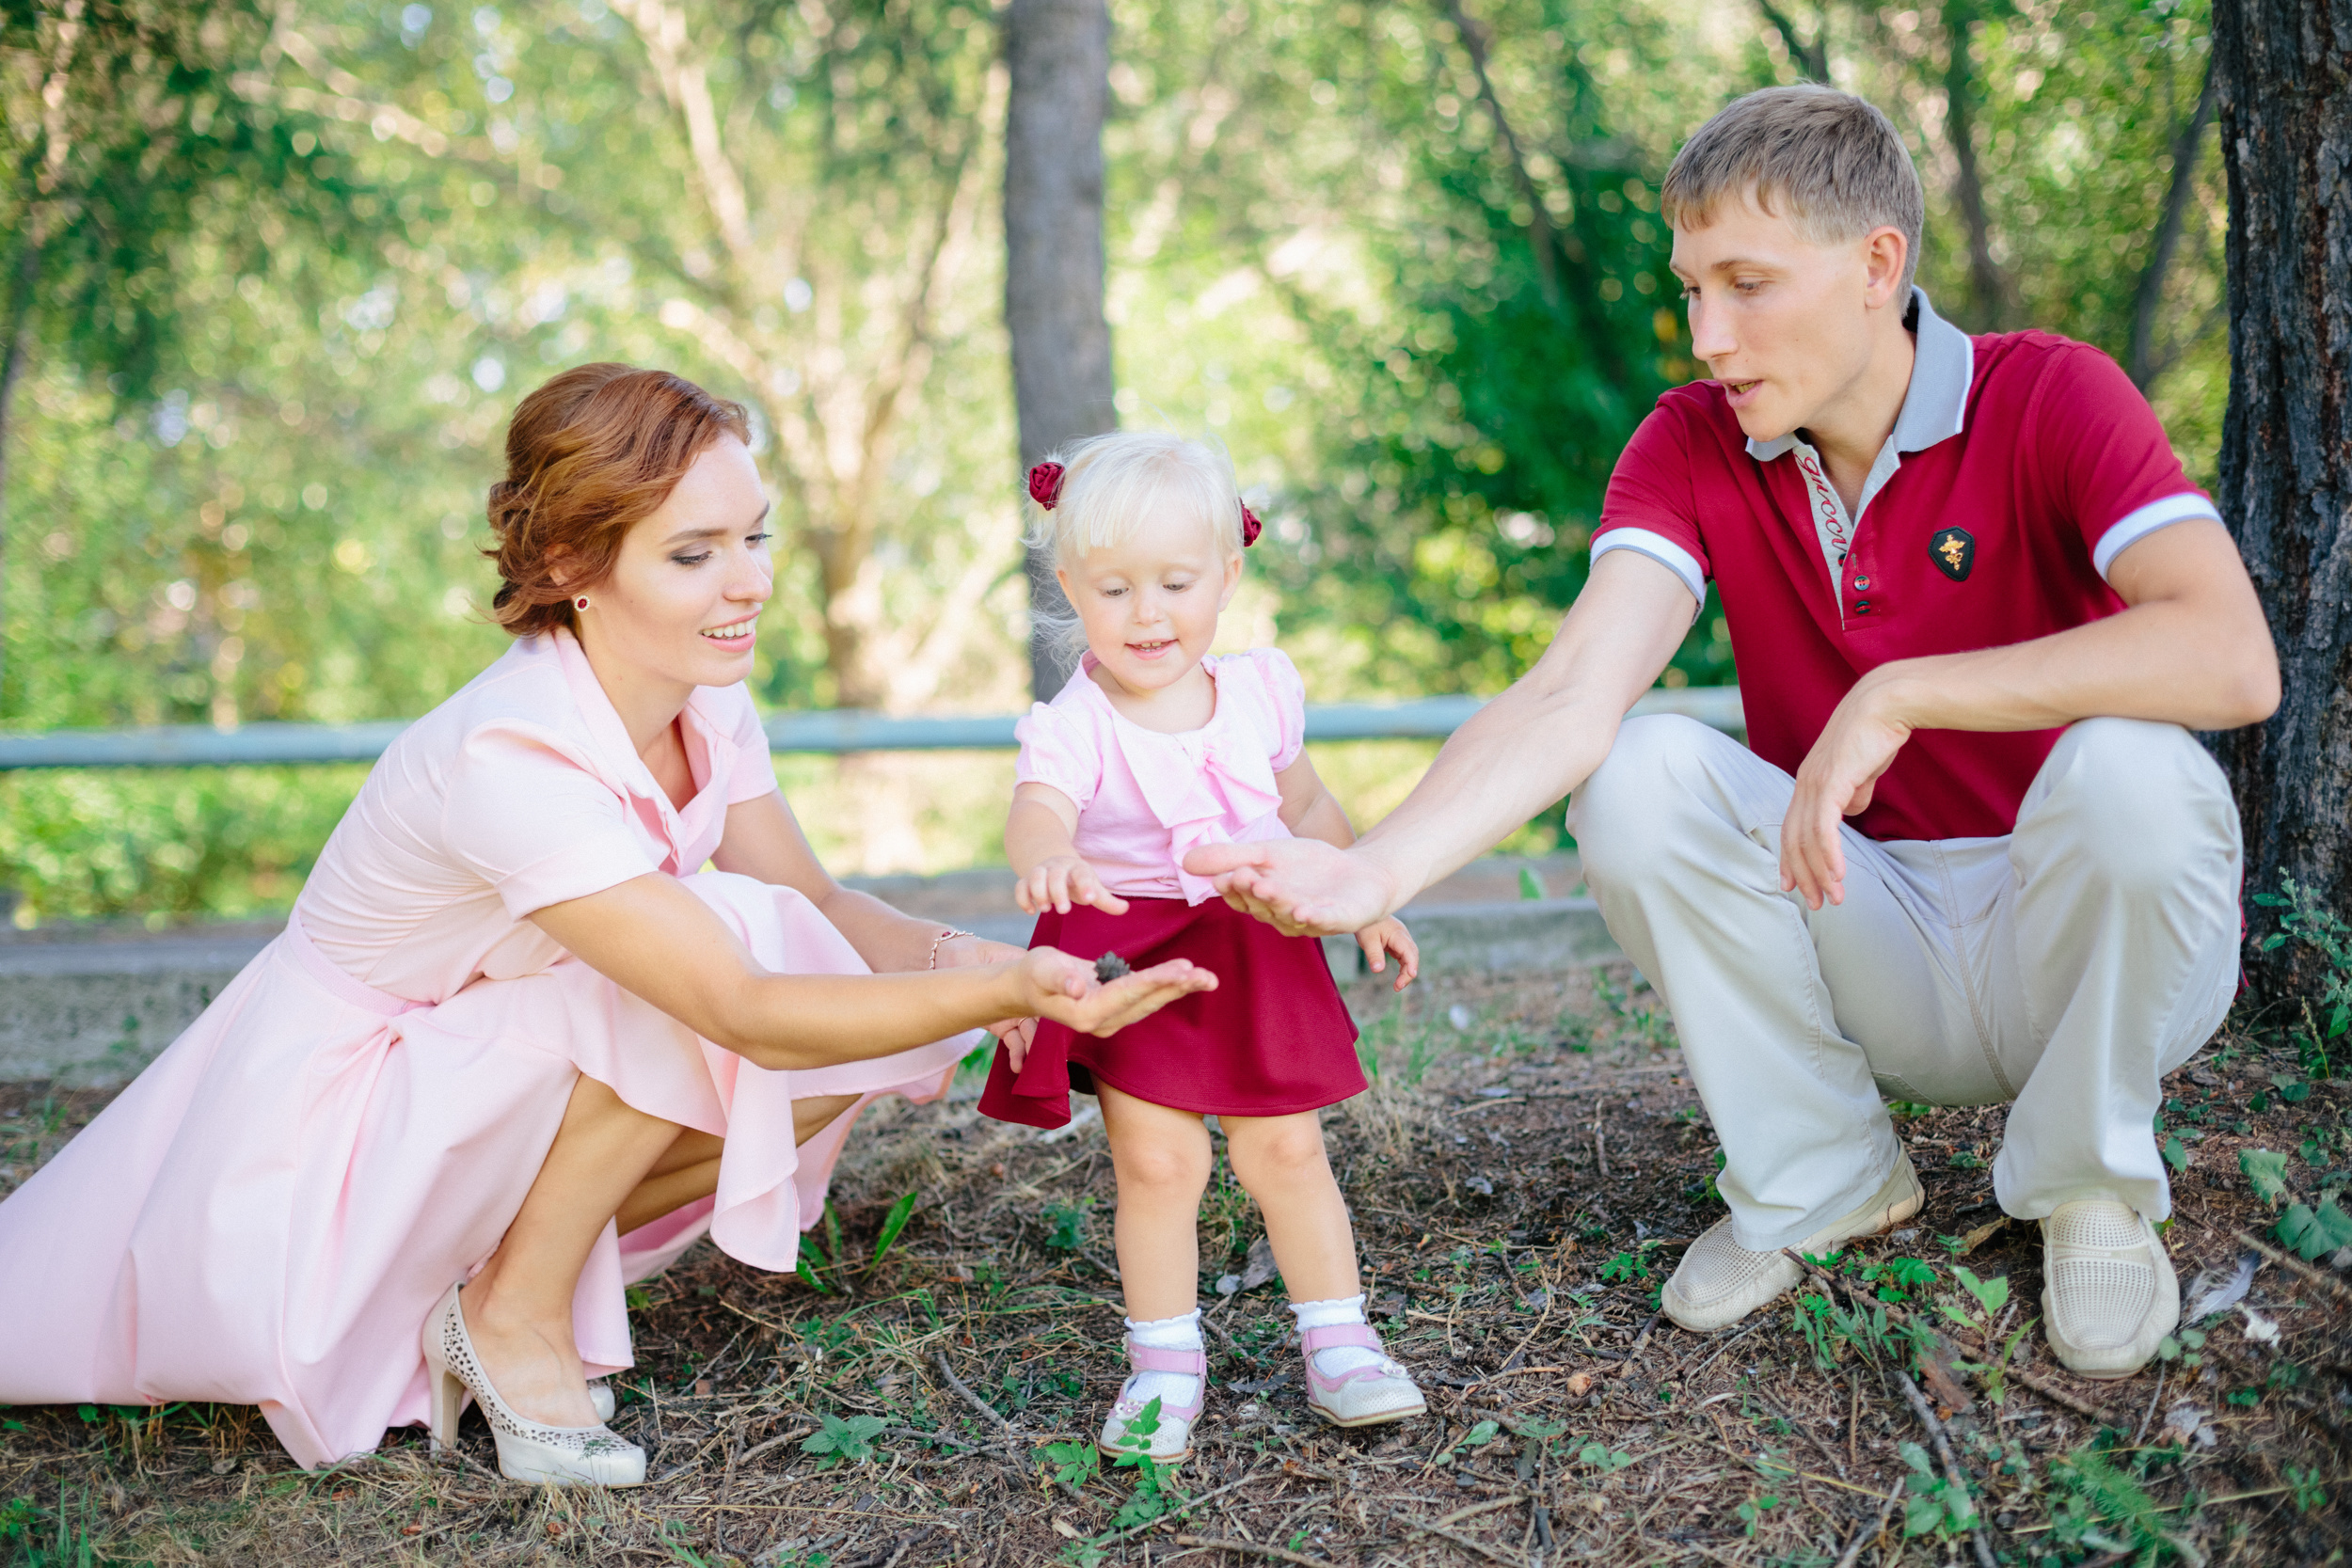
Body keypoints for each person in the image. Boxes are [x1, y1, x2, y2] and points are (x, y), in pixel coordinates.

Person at [1186, 87, 2279, 1383]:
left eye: (1749, 285)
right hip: (1876, 932)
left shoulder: (2050, 394)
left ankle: (2091, 1180)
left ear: (1879, 266)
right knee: (1640, 769)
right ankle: (1820, 1173)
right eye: (1693, 288)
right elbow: (1570, 693)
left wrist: (1902, 689)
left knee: (2137, 769)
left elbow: (2231, 655)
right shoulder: (1695, 444)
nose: (1708, 334)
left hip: (2091, 931)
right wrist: (1377, 868)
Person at [0, 365, 1214, 1486]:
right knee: (716, 950)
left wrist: (1002, 964)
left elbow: (829, 903)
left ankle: (497, 1278)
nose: (749, 580)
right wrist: (1010, 995)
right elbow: (737, 1002)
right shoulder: (510, 751)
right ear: (577, 561)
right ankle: (508, 1311)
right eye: (695, 552)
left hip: (475, 1077)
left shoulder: (703, 699)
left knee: (850, 993)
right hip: (330, 1122)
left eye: (753, 537)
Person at [975, 433, 1424, 1460]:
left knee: (1287, 1148)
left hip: (1253, 936)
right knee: (1158, 1160)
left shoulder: (1261, 690)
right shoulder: (1075, 722)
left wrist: (1367, 892)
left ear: (1227, 574)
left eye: (1175, 582)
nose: (1147, 613)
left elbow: (1307, 803)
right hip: (1130, 950)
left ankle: (1339, 1340)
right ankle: (1163, 1362)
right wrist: (1047, 858)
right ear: (1069, 586)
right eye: (1115, 586)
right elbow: (1037, 811)